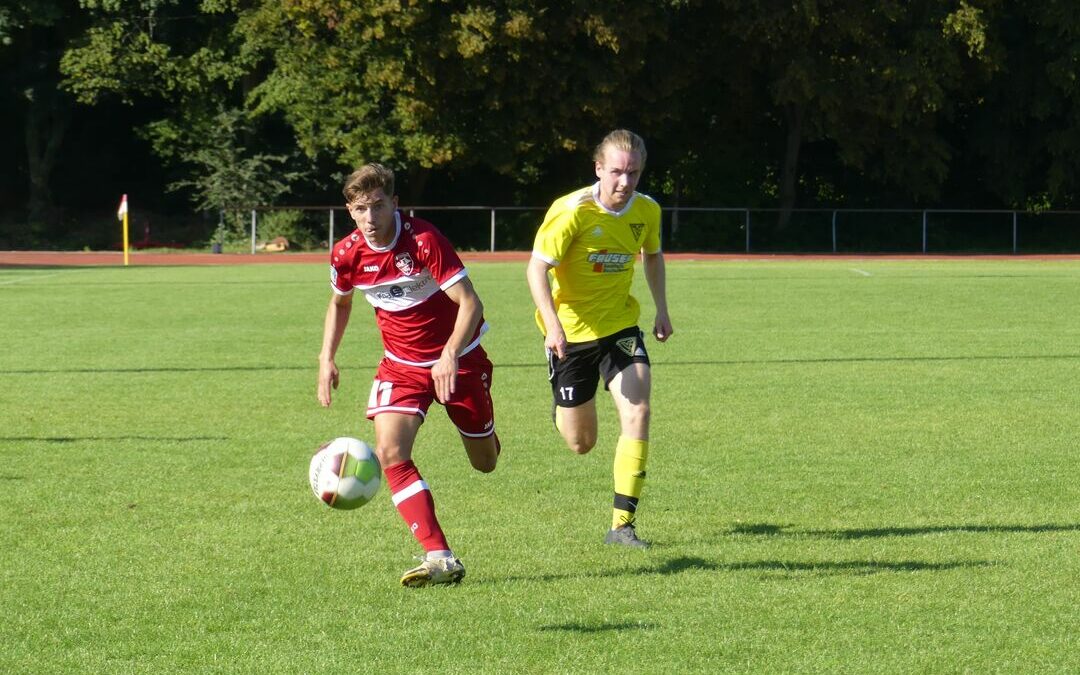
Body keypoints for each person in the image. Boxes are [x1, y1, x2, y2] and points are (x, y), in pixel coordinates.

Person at [318, 163, 501, 587]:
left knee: (485, 462)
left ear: (395, 204)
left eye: (378, 206)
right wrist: (326, 357)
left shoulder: (423, 240)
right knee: (390, 453)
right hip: (400, 365)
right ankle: (440, 556)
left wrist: (450, 354)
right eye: (361, 208)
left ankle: (485, 431)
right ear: (350, 210)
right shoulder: (346, 253)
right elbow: (339, 303)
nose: (371, 218)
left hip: (461, 360)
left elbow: (469, 303)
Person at [526, 129, 673, 548]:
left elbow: (653, 254)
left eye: (634, 173)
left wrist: (661, 308)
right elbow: (536, 270)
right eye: (616, 172)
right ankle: (561, 405)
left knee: (639, 410)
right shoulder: (571, 211)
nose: (625, 182)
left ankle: (622, 526)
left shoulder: (647, 211)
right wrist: (553, 326)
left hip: (620, 327)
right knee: (581, 443)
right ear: (598, 169)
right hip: (570, 336)